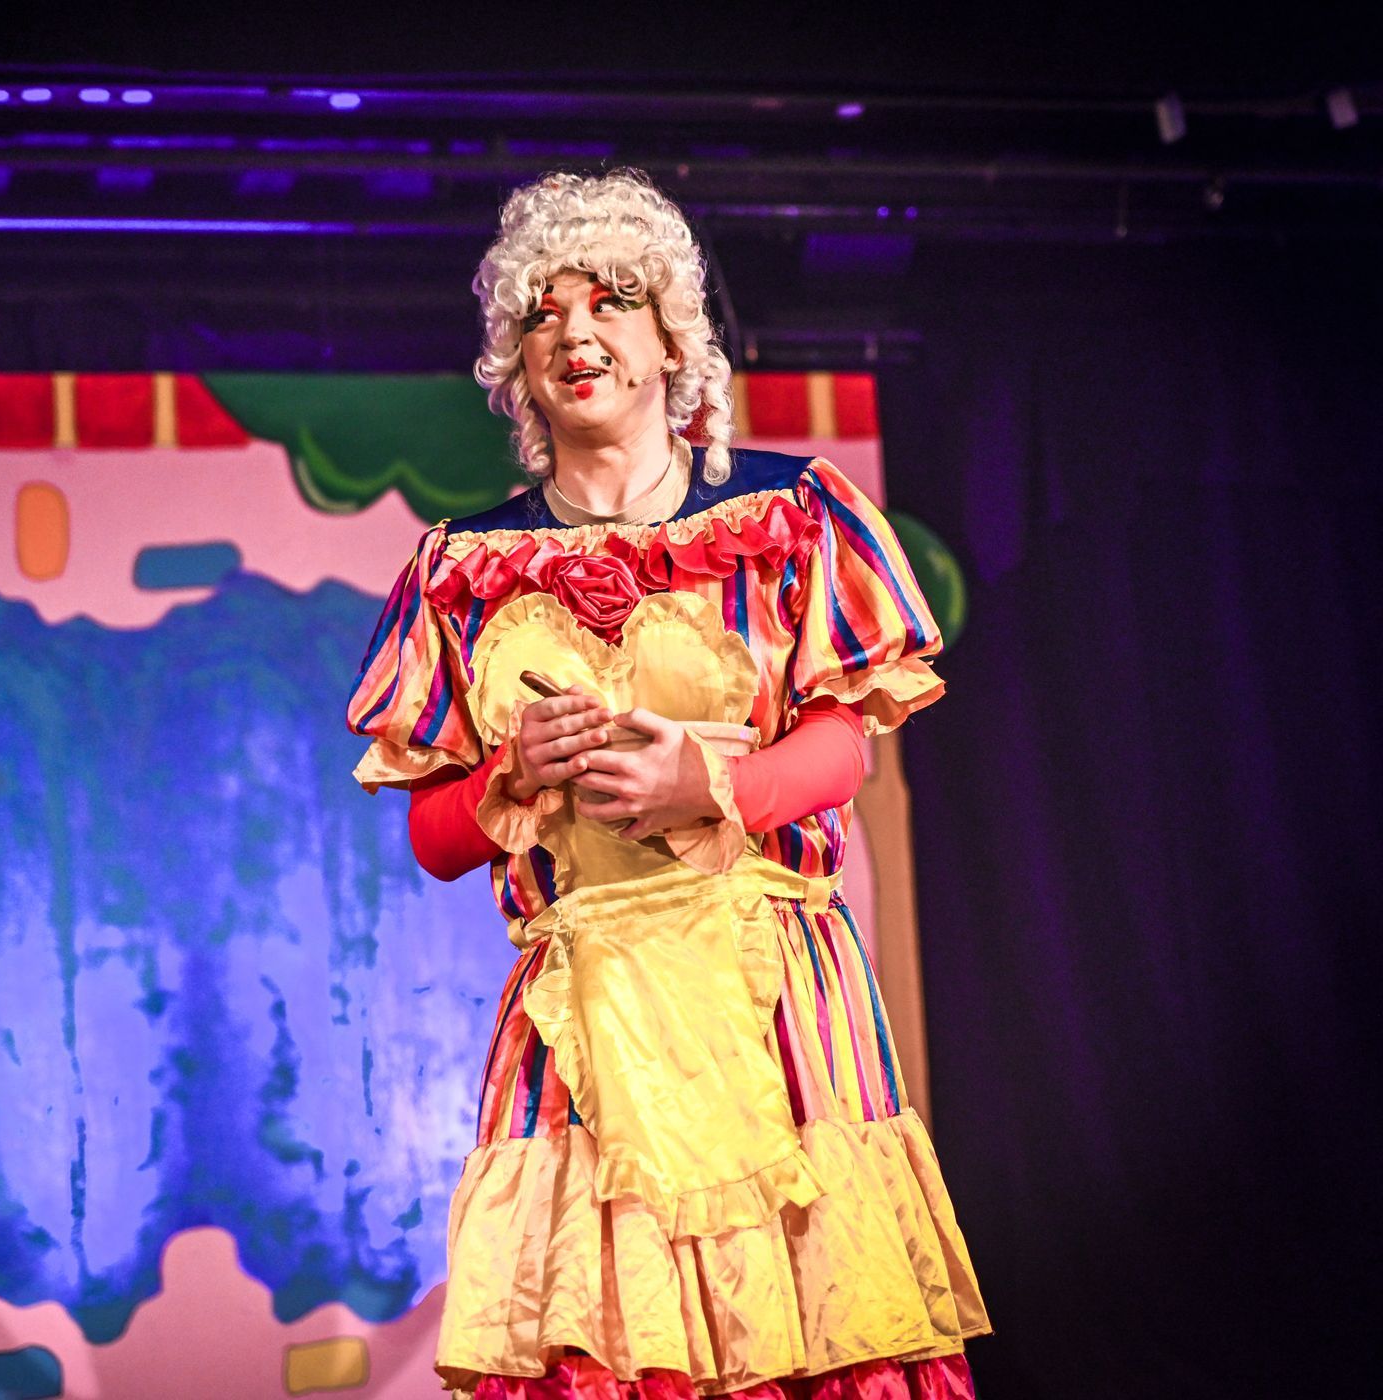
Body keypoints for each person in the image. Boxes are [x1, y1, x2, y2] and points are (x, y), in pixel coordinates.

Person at [347, 168, 989, 1400]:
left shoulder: (789, 512)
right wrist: (513, 772)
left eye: (611, 301)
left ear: (673, 337)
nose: (575, 332)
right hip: (584, 1007)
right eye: (542, 313)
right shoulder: (461, 567)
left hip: (770, 989)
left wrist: (706, 776)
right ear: (516, 362)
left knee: (811, 1324)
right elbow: (433, 834)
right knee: (606, 1340)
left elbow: (844, 748)